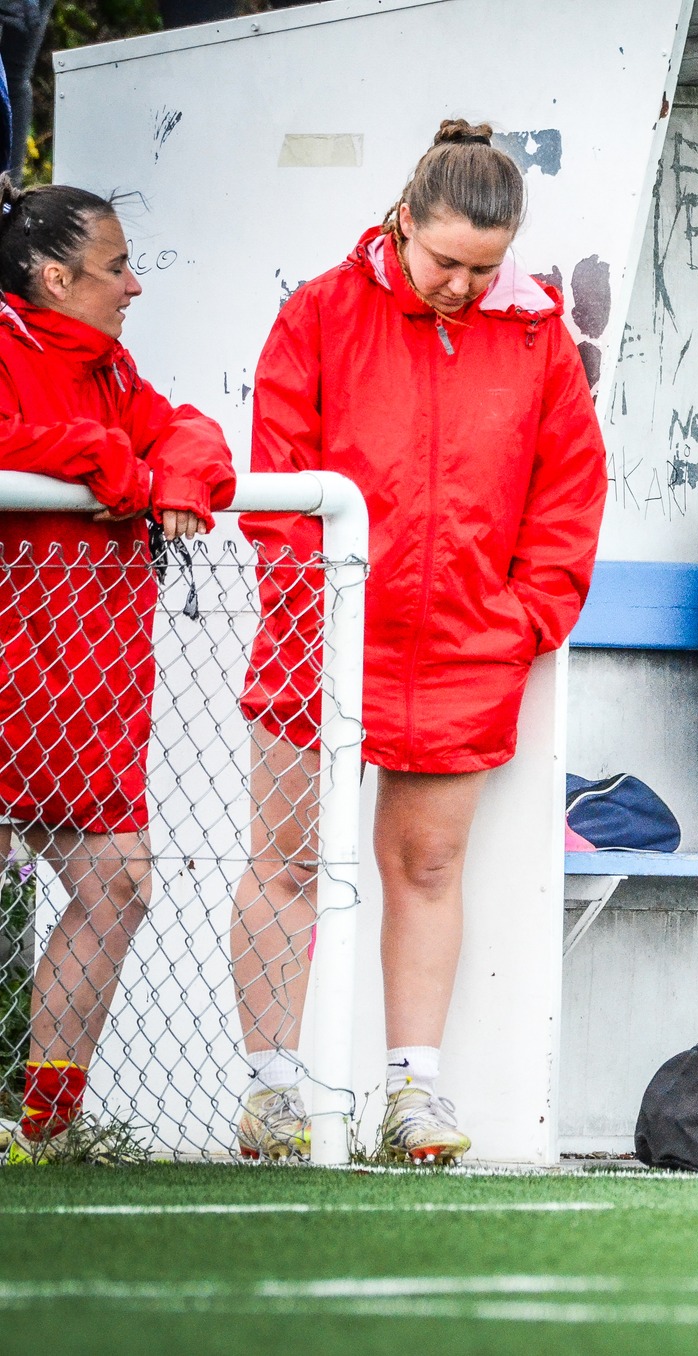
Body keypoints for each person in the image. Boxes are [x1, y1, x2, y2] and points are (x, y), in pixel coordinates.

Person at [230, 120, 606, 1163]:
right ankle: (270, 1090)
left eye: (485, 268)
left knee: (430, 865)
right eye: (446, 262)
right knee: (287, 860)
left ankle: (414, 1093)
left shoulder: (534, 335)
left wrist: (520, 621)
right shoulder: (317, 312)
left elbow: (569, 494)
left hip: (463, 647)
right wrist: (313, 611)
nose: (463, 286)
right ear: (402, 222)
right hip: (320, 636)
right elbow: (275, 485)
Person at [0, 178, 235, 1154]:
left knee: (119, 887)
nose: (134, 285)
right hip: (18, 677)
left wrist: (166, 474)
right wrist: (96, 458)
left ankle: (42, 1129)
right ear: (54, 277)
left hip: (80, 694)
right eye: (116, 267)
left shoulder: (108, 368)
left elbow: (190, 433)